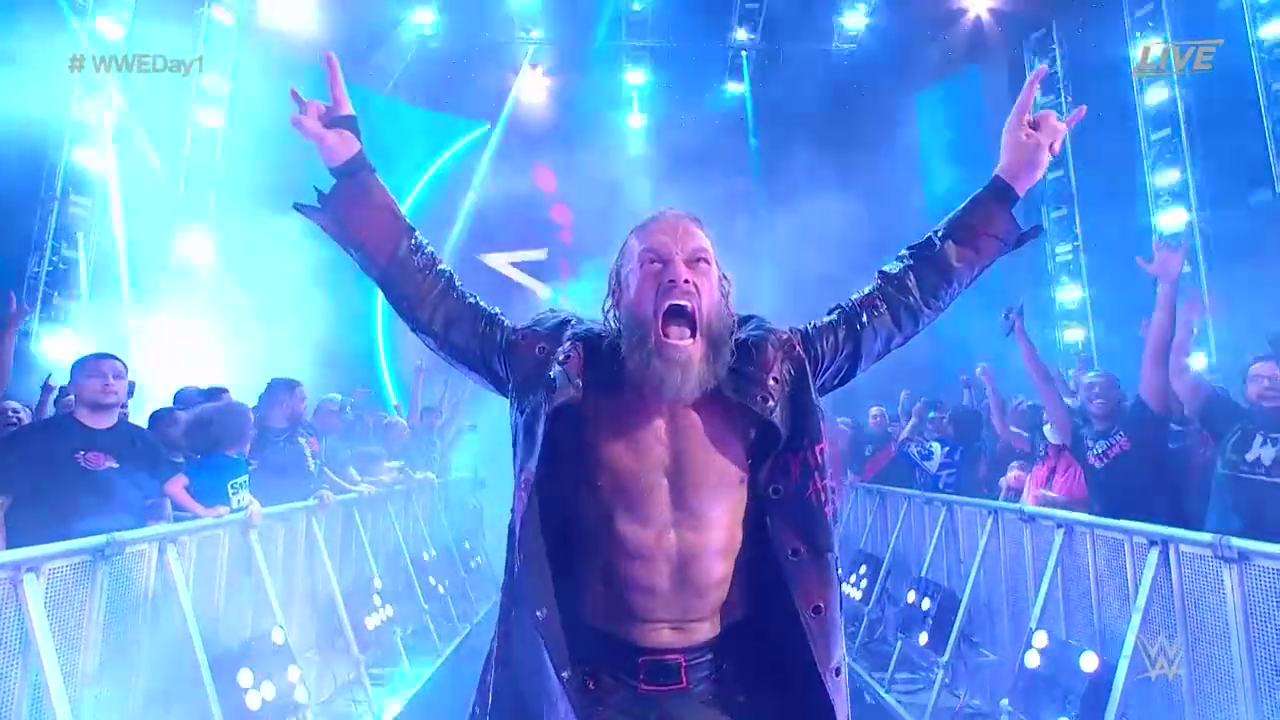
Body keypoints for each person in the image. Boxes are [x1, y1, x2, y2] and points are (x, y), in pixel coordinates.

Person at [288, 53, 1081, 719]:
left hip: (728, 686)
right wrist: (352, 171)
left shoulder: (774, 370)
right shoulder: (561, 371)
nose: (679, 274)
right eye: (655, 264)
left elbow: (902, 297)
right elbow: (438, 303)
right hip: (591, 688)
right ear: (619, 297)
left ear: (721, 297)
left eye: (698, 262)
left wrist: (1007, 184)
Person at [0, 353, 178, 549]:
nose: (109, 382)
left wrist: (153, 546)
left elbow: (159, 503)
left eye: (118, 376)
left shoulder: (146, 442)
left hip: (124, 560)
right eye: (96, 375)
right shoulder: (30, 437)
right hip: (41, 561)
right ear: (72, 386)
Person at [1171, 301, 1280, 541]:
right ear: (1244, 389)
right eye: (1257, 379)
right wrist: (1185, 325)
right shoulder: (1232, 421)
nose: (1269, 385)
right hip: (1233, 555)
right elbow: (1180, 374)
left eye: (1277, 378)